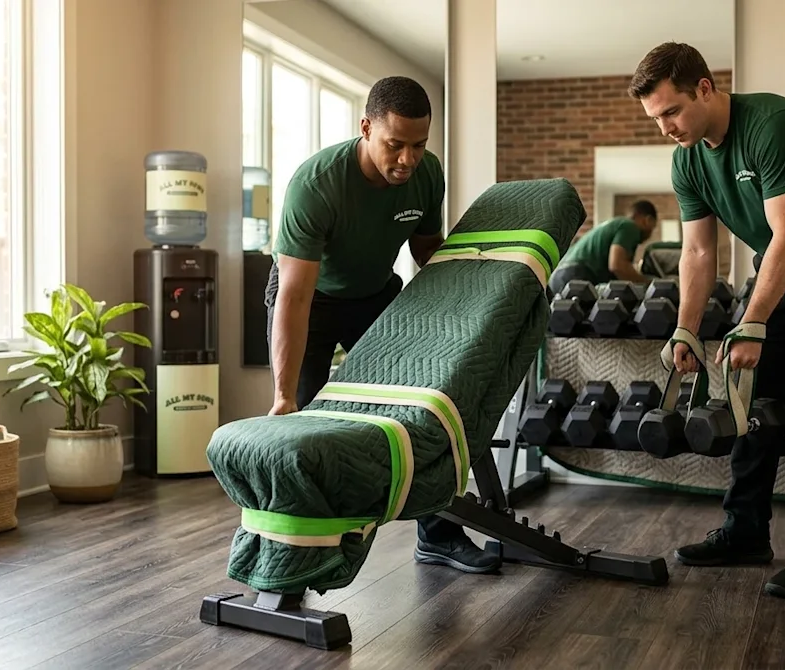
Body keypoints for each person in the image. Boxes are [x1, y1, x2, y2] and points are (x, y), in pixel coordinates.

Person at [627, 42, 785, 599]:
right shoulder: (688, 159)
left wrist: (753, 321)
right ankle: (745, 531)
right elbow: (698, 254)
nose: (666, 128)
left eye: (671, 111)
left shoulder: (774, 123)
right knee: (749, 397)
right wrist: (686, 329)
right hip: (781, 261)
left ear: (705, 87)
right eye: (655, 118)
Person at [264, 75, 500, 575]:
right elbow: (295, 294)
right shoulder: (317, 185)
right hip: (313, 299)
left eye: (419, 146)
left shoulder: (425, 174)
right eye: (395, 145)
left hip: (375, 294)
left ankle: (437, 535)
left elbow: (428, 252)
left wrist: (456, 320)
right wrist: (284, 395)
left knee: (423, 410)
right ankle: (301, 555)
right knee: (306, 430)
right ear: (366, 128)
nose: (407, 160)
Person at [547, 201, 658, 295]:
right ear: (648, 220)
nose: (650, 234)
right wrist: (649, 284)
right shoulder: (630, 226)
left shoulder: (614, 224)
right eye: (653, 227)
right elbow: (617, 266)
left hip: (557, 276)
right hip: (575, 275)